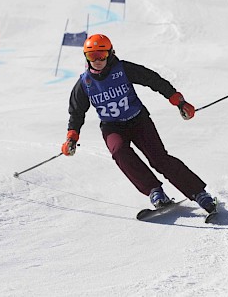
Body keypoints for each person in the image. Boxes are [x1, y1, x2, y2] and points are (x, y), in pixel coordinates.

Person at [61, 34, 216, 213]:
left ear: (110, 54)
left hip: (138, 120)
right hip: (112, 127)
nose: (96, 61)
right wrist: (71, 138)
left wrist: (178, 100)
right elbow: (76, 112)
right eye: (91, 56)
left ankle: (199, 193)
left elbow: (152, 79)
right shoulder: (84, 83)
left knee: (159, 158)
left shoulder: (123, 69)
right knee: (119, 151)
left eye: (101, 55)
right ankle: (154, 191)